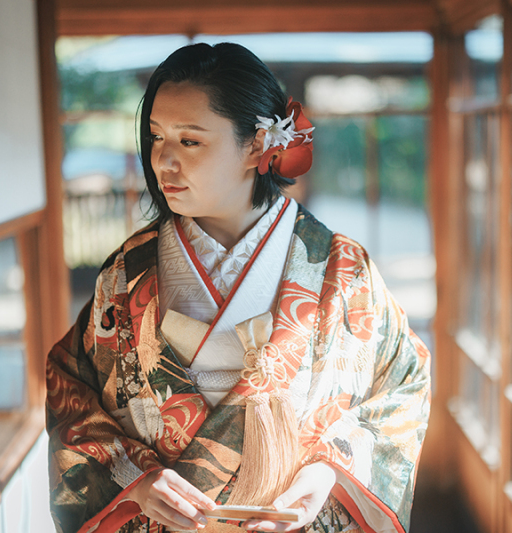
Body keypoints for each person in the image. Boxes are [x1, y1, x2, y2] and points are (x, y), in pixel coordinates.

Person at [46, 42, 430, 533]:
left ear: (256, 146)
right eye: (157, 136)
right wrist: (135, 482)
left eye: (189, 141)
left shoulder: (340, 268)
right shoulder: (126, 274)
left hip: (295, 519)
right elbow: (69, 387)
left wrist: (327, 472)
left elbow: (404, 383)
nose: (163, 161)